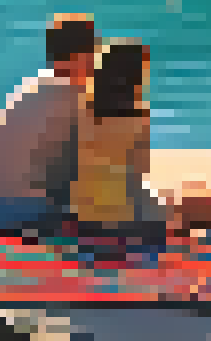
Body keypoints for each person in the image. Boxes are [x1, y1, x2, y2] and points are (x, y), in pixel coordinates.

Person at [0, 13, 100, 238]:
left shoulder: (33, 86)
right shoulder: (71, 97)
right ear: (80, 56)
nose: (94, 62)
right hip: (32, 216)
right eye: (92, 53)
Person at [68, 40, 169, 246]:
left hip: (82, 220)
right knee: (158, 213)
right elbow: (140, 171)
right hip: (120, 224)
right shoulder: (139, 118)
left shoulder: (82, 110)